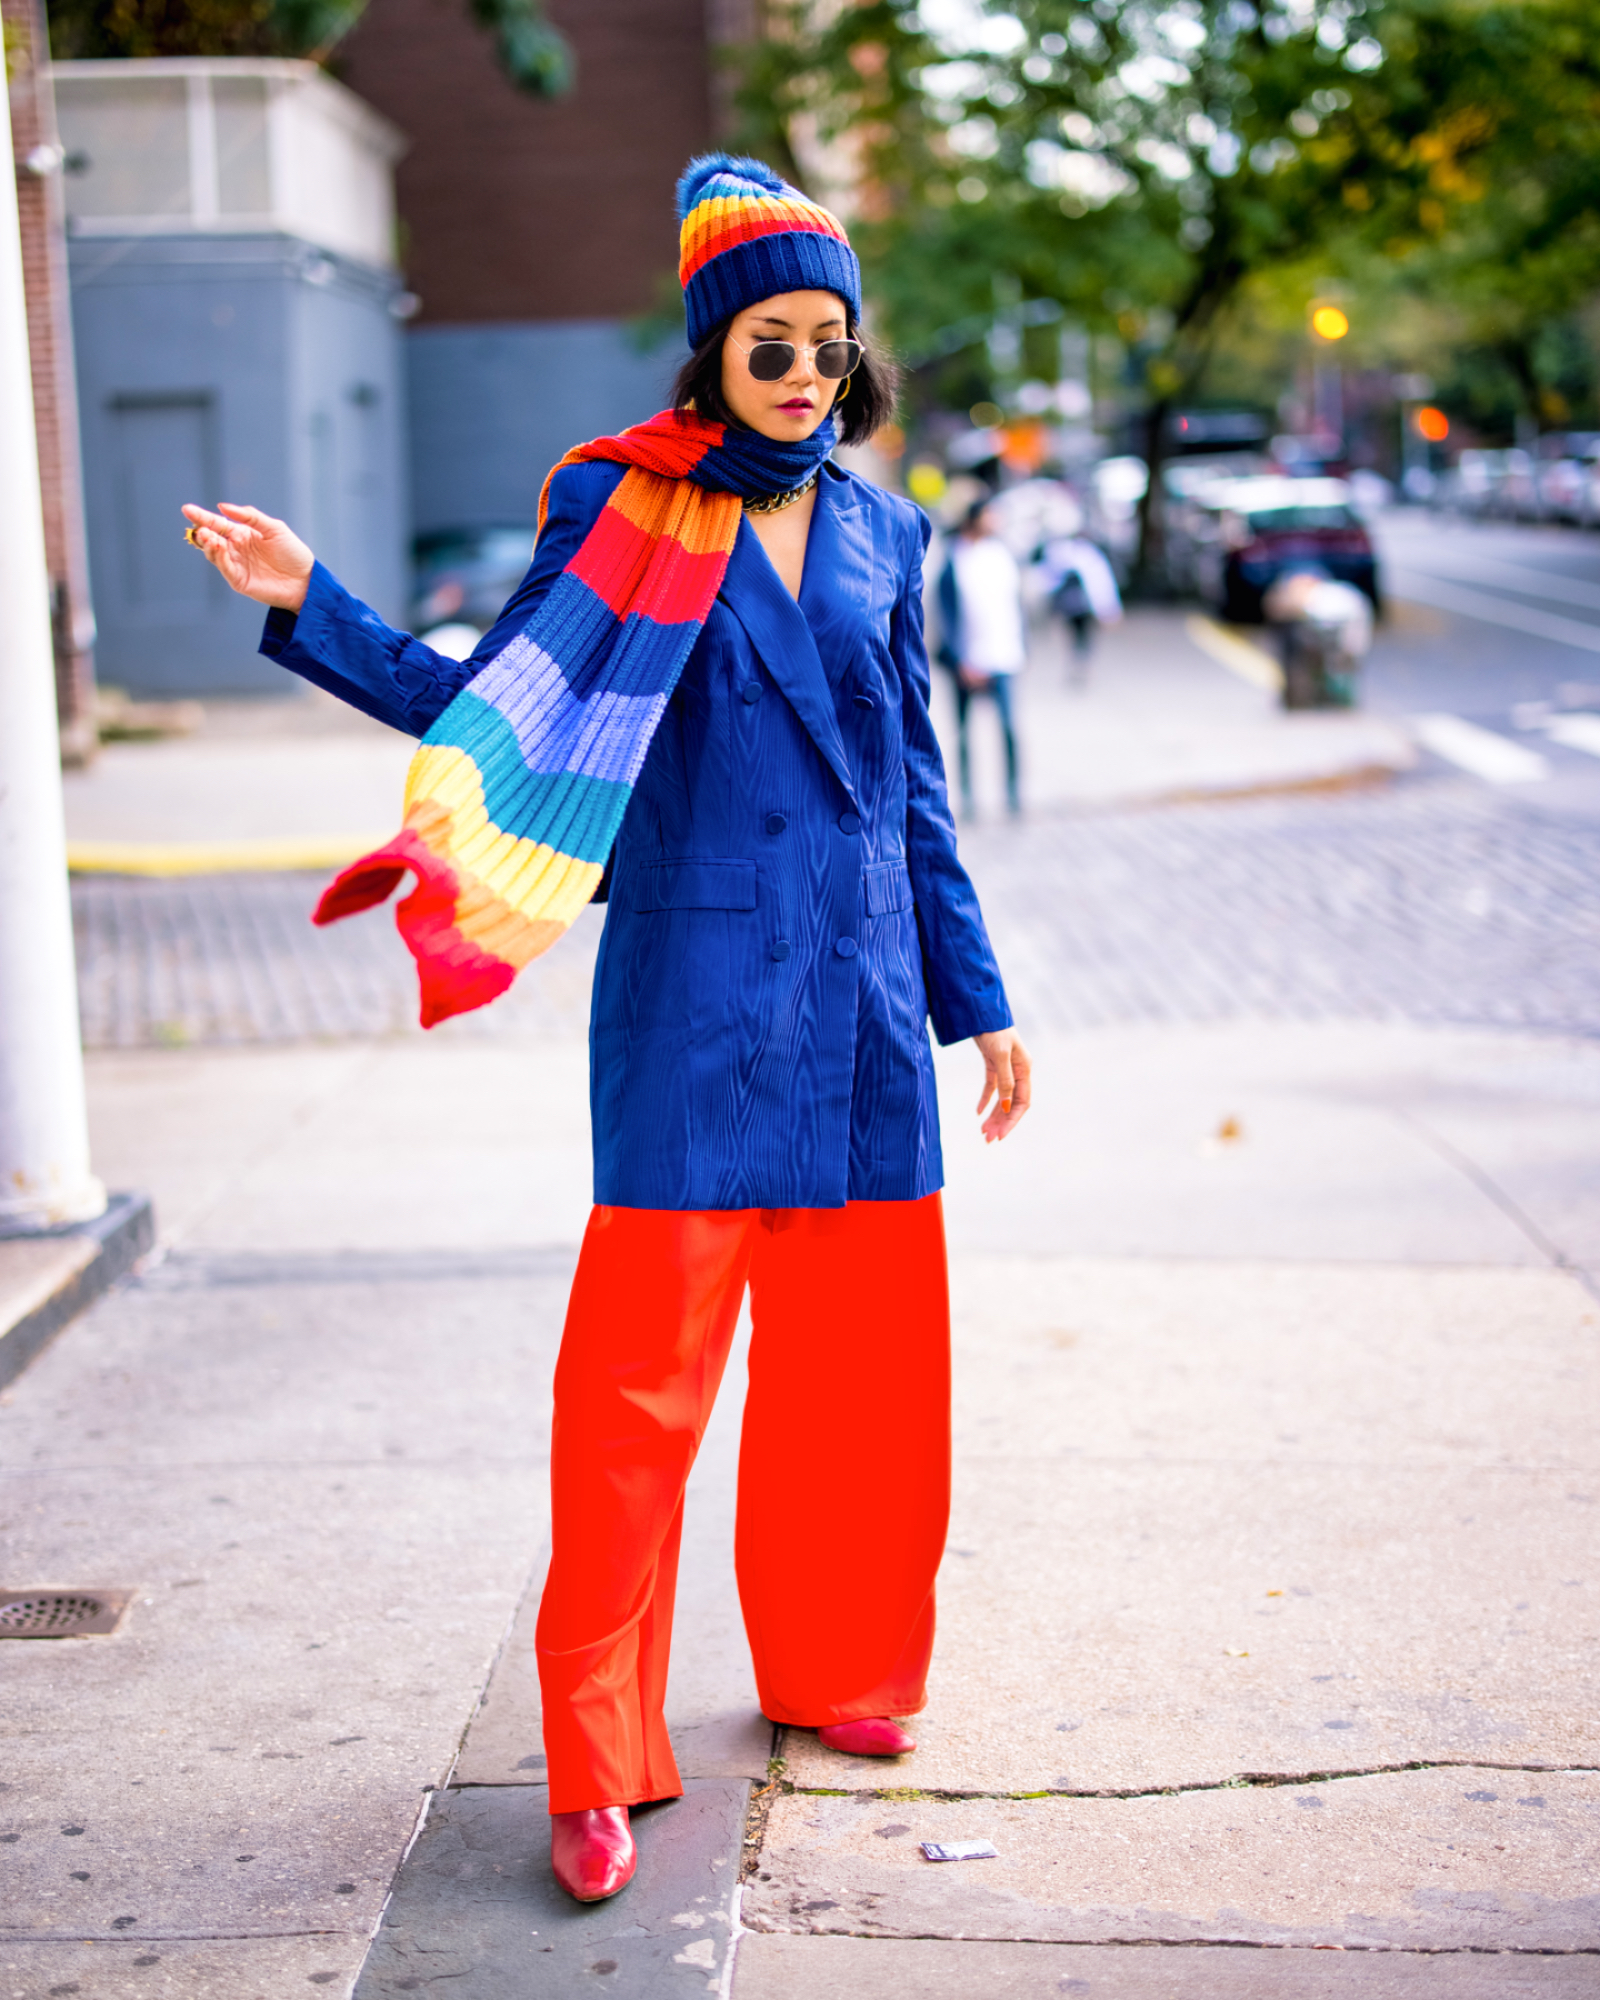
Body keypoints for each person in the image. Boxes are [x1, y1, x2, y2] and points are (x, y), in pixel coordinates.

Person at [181, 153, 1029, 1911]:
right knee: (632, 1407)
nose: (803, 371)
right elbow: (499, 701)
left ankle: (840, 1677)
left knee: (863, 1391)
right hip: (696, 1006)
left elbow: (916, 791)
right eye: (768, 342)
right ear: (712, 354)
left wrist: (979, 997)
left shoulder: (889, 533)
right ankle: (595, 1758)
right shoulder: (630, 510)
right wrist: (308, 602)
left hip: (866, 1006)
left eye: (828, 341)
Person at [936, 498, 1025, 816]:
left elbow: (1014, 607)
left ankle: (1014, 794)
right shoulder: (954, 558)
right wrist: (961, 658)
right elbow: (945, 615)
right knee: (964, 732)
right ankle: (969, 797)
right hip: (966, 661)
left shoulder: (1002, 555)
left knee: (1009, 728)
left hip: (1003, 656)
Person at [1036, 528, 1122, 684]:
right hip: (1083, 606)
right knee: (1082, 636)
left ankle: (1078, 661)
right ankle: (1080, 661)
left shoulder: (1061, 553)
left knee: (1075, 635)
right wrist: (1108, 609)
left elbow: (1047, 579)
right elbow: (1100, 584)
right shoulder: (1089, 555)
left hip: (1070, 607)